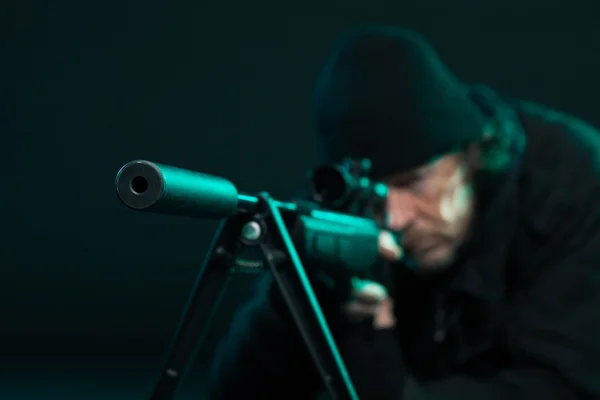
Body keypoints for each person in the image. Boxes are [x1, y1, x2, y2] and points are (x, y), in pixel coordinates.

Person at [206, 25, 600, 399]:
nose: (394, 220)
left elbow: (564, 387)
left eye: (414, 183)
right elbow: (234, 392)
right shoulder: (346, 214)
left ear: (471, 156)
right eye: (374, 193)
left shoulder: (573, 187)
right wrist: (313, 296)